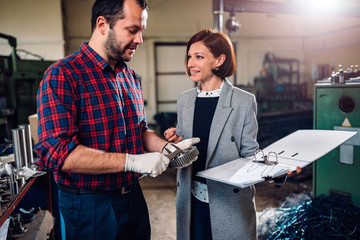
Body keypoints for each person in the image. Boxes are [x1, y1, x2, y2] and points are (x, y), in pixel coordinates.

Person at [36, 0, 198, 239]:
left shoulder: (130, 78)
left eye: (142, 31)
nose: (140, 40)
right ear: (103, 25)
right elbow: (59, 153)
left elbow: (139, 131)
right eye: (132, 30)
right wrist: (131, 162)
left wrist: (167, 148)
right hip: (91, 205)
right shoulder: (63, 75)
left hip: (133, 196)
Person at [164, 29, 259, 240]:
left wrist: (274, 170)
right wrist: (175, 141)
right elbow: (184, 147)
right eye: (189, 56)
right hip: (192, 200)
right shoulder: (185, 100)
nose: (190, 63)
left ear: (219, 60)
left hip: (229, 202)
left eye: (199, 57)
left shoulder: (243, 101)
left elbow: (250, 152)